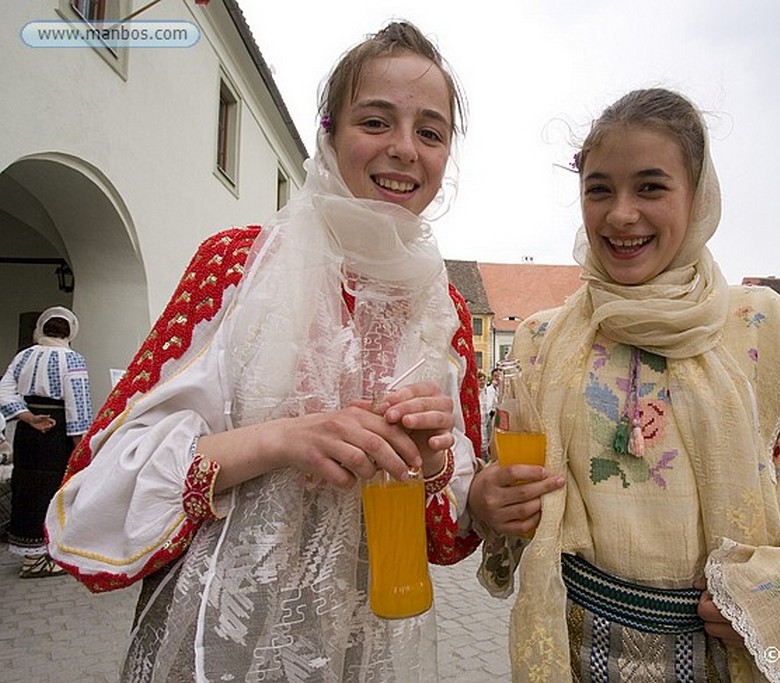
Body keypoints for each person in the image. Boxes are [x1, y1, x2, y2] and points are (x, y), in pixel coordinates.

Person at [45, 22, 482, 682]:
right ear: (329, 135)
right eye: (376, 121)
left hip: (366, 652)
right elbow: (94, 496)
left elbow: (448, 535)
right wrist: (282, 439)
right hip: (216, 649)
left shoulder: (440, 307)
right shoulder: (237, 264)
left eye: (430, 131)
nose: (403, 149)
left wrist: (428, 466)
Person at [468, 88, 780, 682]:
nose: (621, 214)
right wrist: (488, 500)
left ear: (699, 197)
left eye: (651, 187)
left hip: (724, 655)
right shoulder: (538, 342)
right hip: (574, 653)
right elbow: (500, 492)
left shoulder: (761, 329)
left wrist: (768, 603)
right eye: (599, 189)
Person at [0, 306, 92, 578]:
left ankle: (31, 553)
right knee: (52, 489)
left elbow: (4, 389)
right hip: (57, 430)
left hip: (29, 432)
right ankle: (41, 557)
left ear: (41, 329)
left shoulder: (24, 356)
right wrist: (80, 444)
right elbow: (79, 405)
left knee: (26, 485)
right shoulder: (73, 360)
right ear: (70, 332)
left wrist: (27, 417)